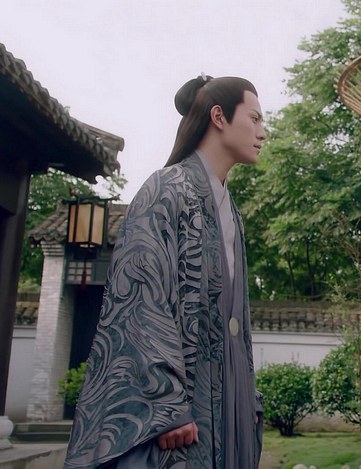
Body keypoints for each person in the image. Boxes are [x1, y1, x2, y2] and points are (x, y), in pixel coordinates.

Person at [64, 75, 267, 468]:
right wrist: (165, 401)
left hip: (229, 401)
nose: (263, 131)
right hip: (178, 415)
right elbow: (140, 300)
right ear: (219, 117)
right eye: (255, 118)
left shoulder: (231, 212)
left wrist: (247, 398)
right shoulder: (165, 190)